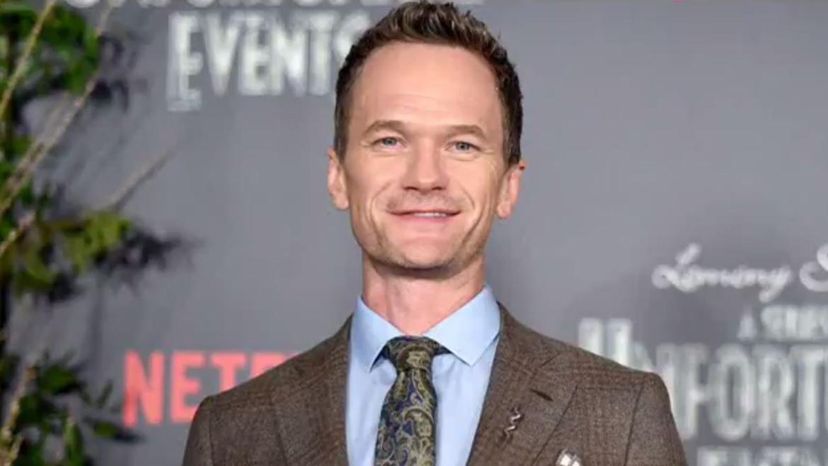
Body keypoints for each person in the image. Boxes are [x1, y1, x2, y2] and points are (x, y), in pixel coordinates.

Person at [182, 2, 687, 465]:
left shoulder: (620, 416)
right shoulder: (231, 431)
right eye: (390, 140)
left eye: (462, 145)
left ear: (508, 186)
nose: (425, 177)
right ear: (338, 176)